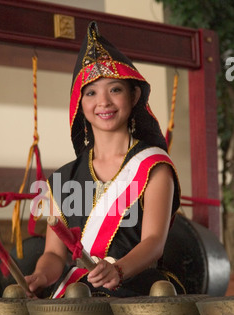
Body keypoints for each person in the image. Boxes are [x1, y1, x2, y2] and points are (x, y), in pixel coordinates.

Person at [25, 21, 183, 298]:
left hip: (143, 290)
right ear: (80, 104)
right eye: (91, 92)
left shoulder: (154, 167)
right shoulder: (63, 179)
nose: (104, 102)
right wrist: (41, 275)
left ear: (134, 95)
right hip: (81, 292)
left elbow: (154, 242)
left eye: (115, 89)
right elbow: (53, 253)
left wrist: (118, 270)